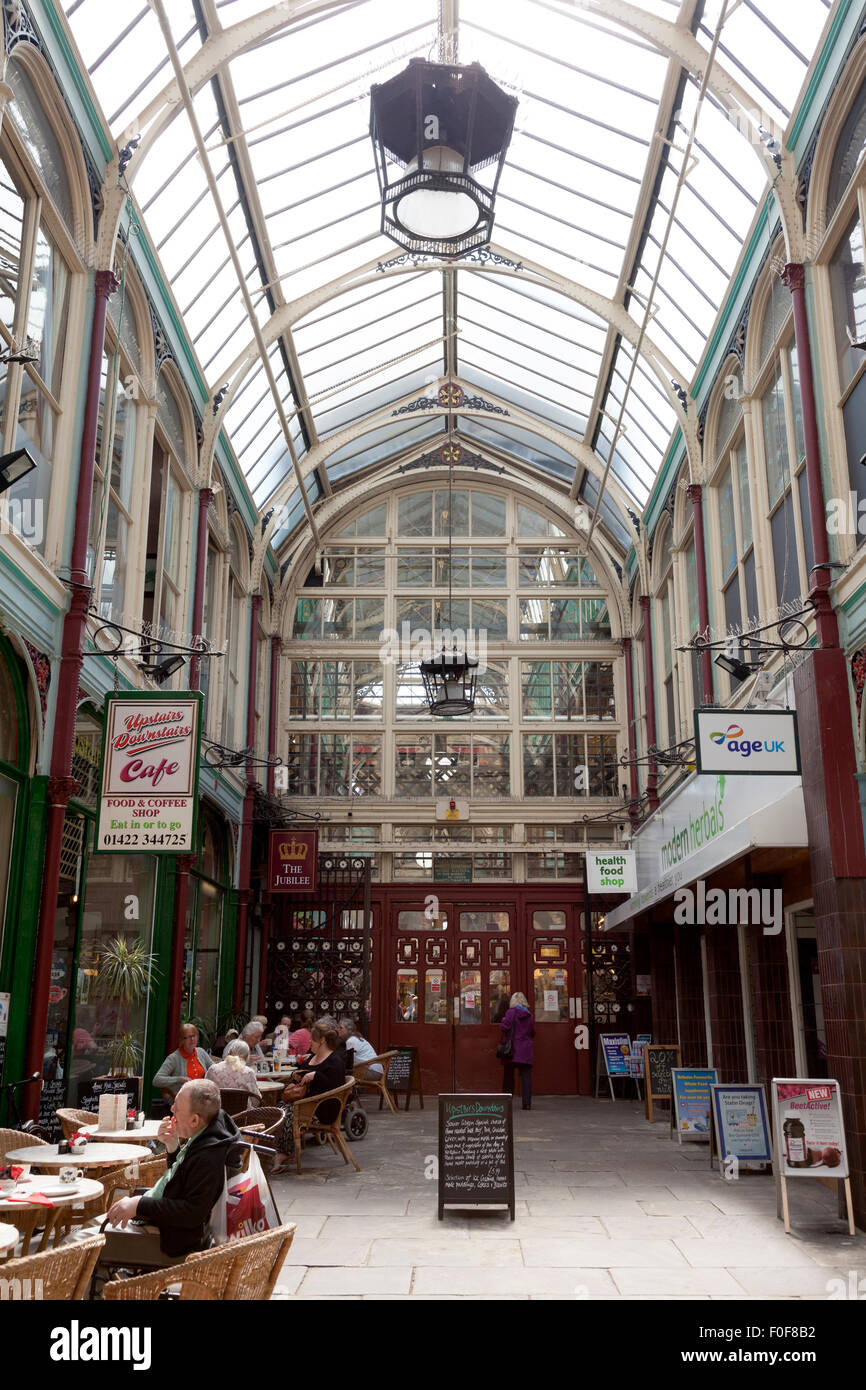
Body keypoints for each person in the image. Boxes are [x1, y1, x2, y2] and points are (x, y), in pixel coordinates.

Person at [103, 1079, 239, 1266]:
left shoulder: (208, 1155)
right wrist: (172, 1146)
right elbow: (184, 1178)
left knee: (80, 1242)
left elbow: (192, 1213)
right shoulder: (207, 1134)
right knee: (98, 1223)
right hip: (159, 1220)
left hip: (171, 1239)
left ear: (194, 1119)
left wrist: (139, 1205)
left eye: (177, 1107)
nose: (172, 1109)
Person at [271, 1017, 346, 1174]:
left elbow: (335, 1086)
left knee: (287, 1112)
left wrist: (315, 1076)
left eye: (313, 1040)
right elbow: (301, 1071)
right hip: (303, 1104)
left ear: (322, 1041)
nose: (310, 1043)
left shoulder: (335, 1061)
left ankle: (283, 1153)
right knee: (276, 1109)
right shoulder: (312, 1057)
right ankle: (275, 1150)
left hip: (321, 1109)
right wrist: (297, 1075)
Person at [153, 1023, 214, 1102]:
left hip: (202, 1096)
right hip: (184, 1100)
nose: (192, 1039)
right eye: (188, 1037)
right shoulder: (174, 1058)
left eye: (194, 1036)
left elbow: (214, 1068)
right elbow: (157, 1080)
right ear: (182, 1040)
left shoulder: (201, 1052)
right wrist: (180, 1079)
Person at [499, 991, 535, 1110]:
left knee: (508, 1075)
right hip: (525, 1050)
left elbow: (504, 1027)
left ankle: (506, 1101)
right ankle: (527, 1103)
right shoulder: (529, 1015)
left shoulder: (510, 1013)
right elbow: (533, 1032)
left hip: (512, 1049)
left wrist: (504, 1019)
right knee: (526, 1077)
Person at [205, 1039, 262, 1105]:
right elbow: (256, 1100)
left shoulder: (213, 1069)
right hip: (243, 1114)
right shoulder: (248, 1072)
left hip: (217, 1112)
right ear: (247, 1057)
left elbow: (205, 1092)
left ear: (229, 1053)